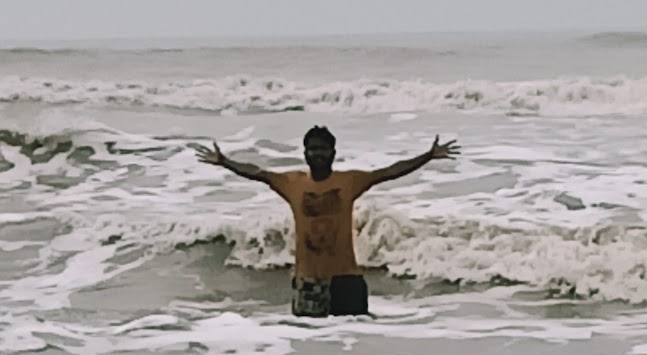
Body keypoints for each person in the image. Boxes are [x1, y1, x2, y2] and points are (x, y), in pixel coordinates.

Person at [196, 126, 459, 317]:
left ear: (333, 152)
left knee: (353, 345)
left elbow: (389, 172)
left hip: (347, 280)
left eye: (323, 149)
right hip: (309, 282)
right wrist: (225, 162)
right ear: (305, 153)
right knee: (310, 349)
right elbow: (258, 173)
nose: (318, 154)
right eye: (313, 149)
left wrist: (427, 156)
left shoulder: (349, 181)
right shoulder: (291, 182)